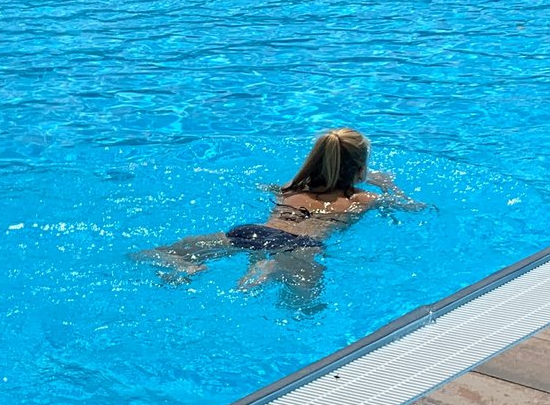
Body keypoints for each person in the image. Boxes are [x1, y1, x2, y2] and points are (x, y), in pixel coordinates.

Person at [136, 128, 424, 306]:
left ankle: (187, 266)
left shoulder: (290, 187)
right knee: (302, 306)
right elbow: (417, 208)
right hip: (301, 245)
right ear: (360, 168)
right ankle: (269, 269)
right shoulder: (362, 198)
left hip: (253, 232)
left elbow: (262, 187)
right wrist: (386, 184)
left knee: (153, 252)